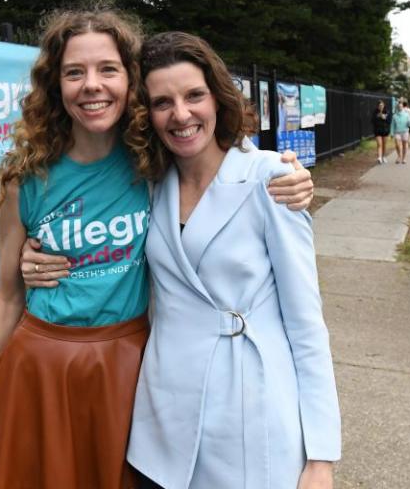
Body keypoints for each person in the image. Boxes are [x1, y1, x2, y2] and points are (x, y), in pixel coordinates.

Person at [0, 7, 314, 489]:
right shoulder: (25, 179)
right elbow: (7, 296)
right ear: (54, 86)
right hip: (40, 366)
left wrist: (290, 175)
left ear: (131, 82)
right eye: (74, 73)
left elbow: (217, 159)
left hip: (128, 363)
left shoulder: (154, 165)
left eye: (108, 69)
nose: (92, 85)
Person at [129, 32, 340, 488]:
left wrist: (321, 457)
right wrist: (30, 255)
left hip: (248, 415)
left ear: (218, 98)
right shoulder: (147, 185)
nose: (181, 114)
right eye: (162, 102)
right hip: (162, 417)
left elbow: (306, 324)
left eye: (193, 96)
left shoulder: (271, 178)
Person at [390, 100, 410, 164]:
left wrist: (409, 123)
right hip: (397, 132)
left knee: (404, 145)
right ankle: (399, 156)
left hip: (405, 132)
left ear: (403, 107)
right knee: (397, 144)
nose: (400, 108)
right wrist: (391, 133)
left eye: (401, 107)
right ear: (397, 107)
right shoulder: (394, 116)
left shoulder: (406, 115)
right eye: (399, 107)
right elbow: (392, 125)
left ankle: (404, 158)